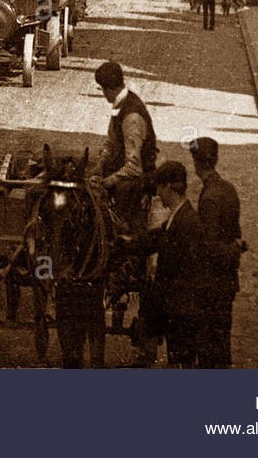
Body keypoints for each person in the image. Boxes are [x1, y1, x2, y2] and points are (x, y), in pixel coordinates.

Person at [131, 161, 204, 367]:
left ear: (169, 188)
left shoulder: (186, 222)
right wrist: (128, 244)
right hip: (177, 311)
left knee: (181, 364)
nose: (158, 195)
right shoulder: (179, 216)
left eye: (159, 189)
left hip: (181, 313)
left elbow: (180, 274)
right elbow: (157, 238)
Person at [190, 137, 244, 368]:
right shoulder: (227, 188)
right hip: (227, 280)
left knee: (209, 345)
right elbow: (235, 232)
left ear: (195, 163)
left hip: (212, 283)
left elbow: (210, 248)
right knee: (221, 340)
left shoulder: (209, 198)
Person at [92, 60, 157, 227]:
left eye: (102, 89)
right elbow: (112, 141)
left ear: (108, 89)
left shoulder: (131, 117)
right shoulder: (121, 104)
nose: (103, 94)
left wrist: (106, 182)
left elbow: (133, 167)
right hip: (123, 168)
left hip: (138, 179)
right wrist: (100, 164)